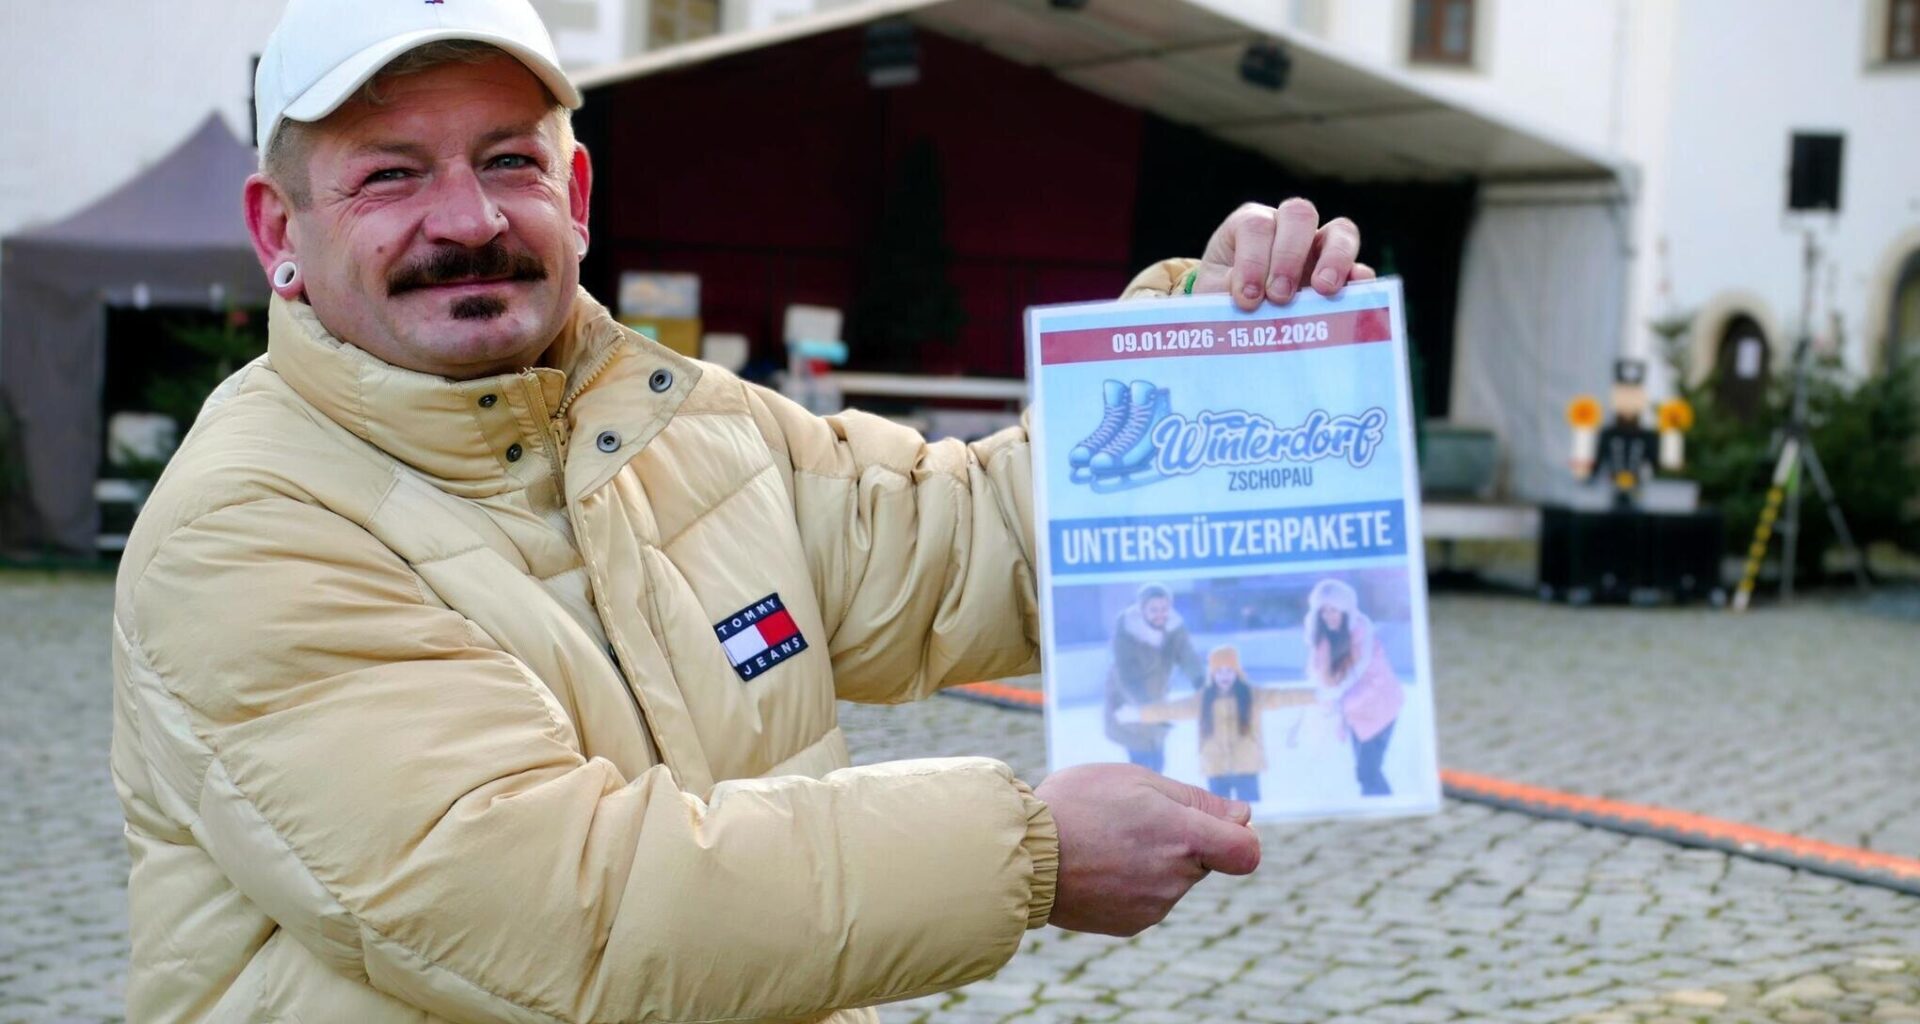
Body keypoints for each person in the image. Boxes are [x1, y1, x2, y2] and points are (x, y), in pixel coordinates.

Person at [107, 1, 1376, 1020]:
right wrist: (1029, 851)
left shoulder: (690, 421)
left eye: (510, 161)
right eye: (390, 176)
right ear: (280, 227)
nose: (471, 219)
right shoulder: (245, 524)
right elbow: (556, 907)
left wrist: (1204, 344)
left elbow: (970, 547)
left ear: (580, 194)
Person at [1123, 645, 1316, 802]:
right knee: (1219, 821)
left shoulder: (1252, 695)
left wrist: (1317, 696)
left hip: (1246, 766)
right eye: (1219, 671)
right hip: (1215, 768)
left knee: (1251, 817)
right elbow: (1172, 709)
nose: (1224, 675)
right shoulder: (1203, 699)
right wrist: (1140, 714)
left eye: (1229, 670)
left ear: (1237, 672)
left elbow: (1284, 696)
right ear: (1212, 674)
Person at [1303, 579, 1406, 797]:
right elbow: (1322, 678)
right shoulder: (1324, 642)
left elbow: (1377, 682)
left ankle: (1383, 808)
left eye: (1335, 610)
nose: (1329, 616)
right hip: (1355, 715)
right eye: (1324, 611)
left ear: (1346, 610)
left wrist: (1340, 703)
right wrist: (1325, 696)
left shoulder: (1364, 637)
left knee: (1368, 771)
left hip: (1382, 709)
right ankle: (1377, 806)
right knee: (1363, 772)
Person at [1102, 583, 1205, 773]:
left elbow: (1186, 654)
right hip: (1127, 698)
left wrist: (1198, 679)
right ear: (1142, 609)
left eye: (1164, 608)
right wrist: (1147, 706)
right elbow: (1126, 674)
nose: (1160, 614)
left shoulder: (1174, 626)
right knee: (1141, 758)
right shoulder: (1127, 630)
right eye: (1154, 609)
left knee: (1157, 759)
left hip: (1156, 696)